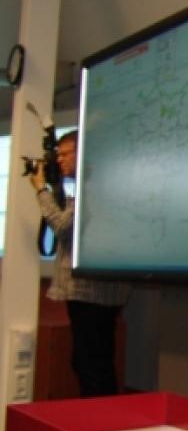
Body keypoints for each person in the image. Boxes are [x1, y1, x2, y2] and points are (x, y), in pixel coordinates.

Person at [30, 130, 130, 397]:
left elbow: (62, 227)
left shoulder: (93, 188)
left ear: (83, 152)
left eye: (65, 154)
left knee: (90, 365)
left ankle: (99, 426)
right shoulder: (101, 185)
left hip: (90, 291)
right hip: (99, 290)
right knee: (94, 362)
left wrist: (40, 189)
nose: (59, 160)